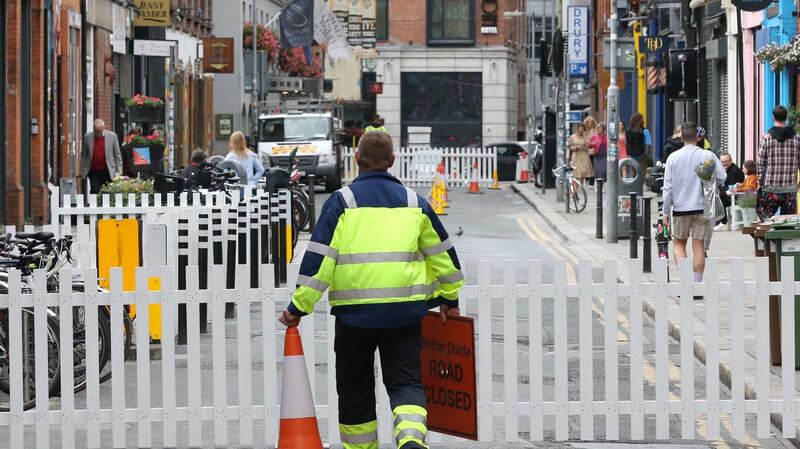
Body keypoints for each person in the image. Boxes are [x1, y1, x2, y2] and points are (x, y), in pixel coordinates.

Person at [278, 131, 464, 449]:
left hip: (354, 318)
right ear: (392, 161)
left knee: (355, 390)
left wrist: (298, 307)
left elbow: (319, 261)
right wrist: (449, 297)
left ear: (357, 160)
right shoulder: (413, 203)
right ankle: (410, 439)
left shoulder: (341, 203)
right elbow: (443, 257)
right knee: (406, 383)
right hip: (404, 315)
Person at [662, 122, 725, 297]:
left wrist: (665, 212)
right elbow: (722, 176)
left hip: (681, 207)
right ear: (697, 137)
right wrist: (707, 177)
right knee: (699, 246)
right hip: (703, 206)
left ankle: (685, 284)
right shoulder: (707, 155)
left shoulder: (673, 158)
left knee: (679, 243)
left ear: (681, 137)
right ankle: (697, 286)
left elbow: (667, 188)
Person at [756, 105, 800, 219]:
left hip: (771, 187)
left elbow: (761, 162)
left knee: (765, 219)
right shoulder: (797, 138)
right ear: (786, 118)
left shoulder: (766, 138)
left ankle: (770, 237)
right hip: (790, 188)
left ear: (773, 118)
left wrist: (760, 182)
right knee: (787, 222)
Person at [81, 119, 123, 194]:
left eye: (99, 131)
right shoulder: (87, 137)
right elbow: (84, 155)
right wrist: (82, 169)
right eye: (96, 131)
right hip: (94, 171)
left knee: (108, 192)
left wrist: (119, 170)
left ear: (103, 128)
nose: (98, 133)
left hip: (108, 170)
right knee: (94, 190)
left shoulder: (112, 136)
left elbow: (117, 154)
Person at [713, 152, 745, 231]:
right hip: (730, 193)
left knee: (719, 196)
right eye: (722, 162)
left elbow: (732, 188)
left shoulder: (735, 172)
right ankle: (719, 221)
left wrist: (720, 190)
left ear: (731, 160)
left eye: (726, 161)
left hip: (737, 196)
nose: (724, 163)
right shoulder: (724, 170)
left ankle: (723, 222)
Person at [583, 116, 598, 185]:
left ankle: (591, 182)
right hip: (586, 151)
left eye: (591, 122)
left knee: (593, 166)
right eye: (588, 122)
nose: (589, 124)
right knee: (586, 166)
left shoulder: (596, 130)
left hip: (594, 150)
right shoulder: (584, 131)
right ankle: (586, 180)